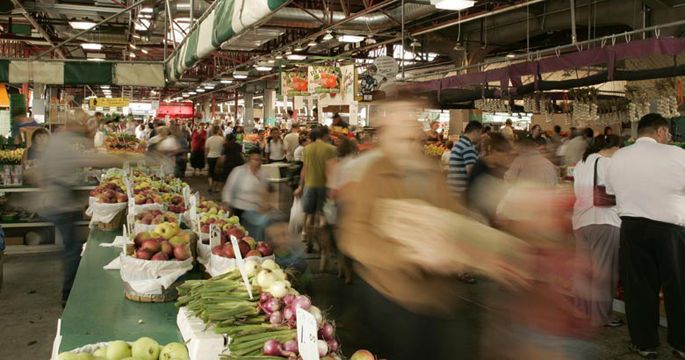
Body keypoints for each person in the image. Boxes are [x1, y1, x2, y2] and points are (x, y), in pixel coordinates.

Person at [605, 114, 685, 359]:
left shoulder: (618, 156)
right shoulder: (677, 155)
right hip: (670, 230)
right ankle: (681, 344)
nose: (669, 138)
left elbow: (610, 192)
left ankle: (645, 344)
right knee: (678, 287)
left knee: (638, 287)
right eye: (668, 133)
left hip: (632, 228)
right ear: (661, 131)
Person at [39, 111, 125, 305]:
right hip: (60, 202)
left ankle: (70, 289)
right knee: (72, 249)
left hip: (58, 199)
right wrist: (122, 158)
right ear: (70, 127)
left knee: (71, 246)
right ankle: (68, 295)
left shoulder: (56, 141)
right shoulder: (62, 144)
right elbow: (88, 160)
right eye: (80, 126)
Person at [571, 134, 623, 328]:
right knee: (603, 272)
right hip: (603, 220)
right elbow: (618, 191)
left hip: (580, 221)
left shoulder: (581, 163)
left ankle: (580, 312)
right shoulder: (607, 164)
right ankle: (601, 317)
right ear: (615, 148)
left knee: (583, 271)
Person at [294, 127, 337, 253]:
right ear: (324, 136)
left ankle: (309, 241)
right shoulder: (330, 149)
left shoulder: (307, 149)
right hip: (324, 186)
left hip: (309, 185)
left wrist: (300, 186)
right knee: (322, 216)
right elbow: (330, 170)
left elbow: (304, 169)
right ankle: (324, 248)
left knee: (309, 215)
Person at [222, 148, 271, 240]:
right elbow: (228, 189)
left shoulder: (264, 174)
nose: (258, 162)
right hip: (240, 209)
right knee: (241, 237)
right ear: (249, 159)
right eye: (255, 160)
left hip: (256, 210)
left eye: (260, 160)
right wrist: (227, 204)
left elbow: (266, 192)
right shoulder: (238, 171)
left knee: (255, 238)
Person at [447, 120, 483, 199]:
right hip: (461, 192)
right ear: (475, 132)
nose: (480, 137)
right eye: (480, 133)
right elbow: (471, 171)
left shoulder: (458, 144)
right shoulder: (467, 147)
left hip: (453, 190)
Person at [205, 126, 225, 193]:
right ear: (219, 131)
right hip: (219, 157)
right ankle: (216, 188)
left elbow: (207, 150)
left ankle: (210, 185)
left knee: (211, 172)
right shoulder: (222, 139)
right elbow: (224, 148)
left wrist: (206, 157)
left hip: (210, 156)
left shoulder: (209, 139)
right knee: (218, 173)